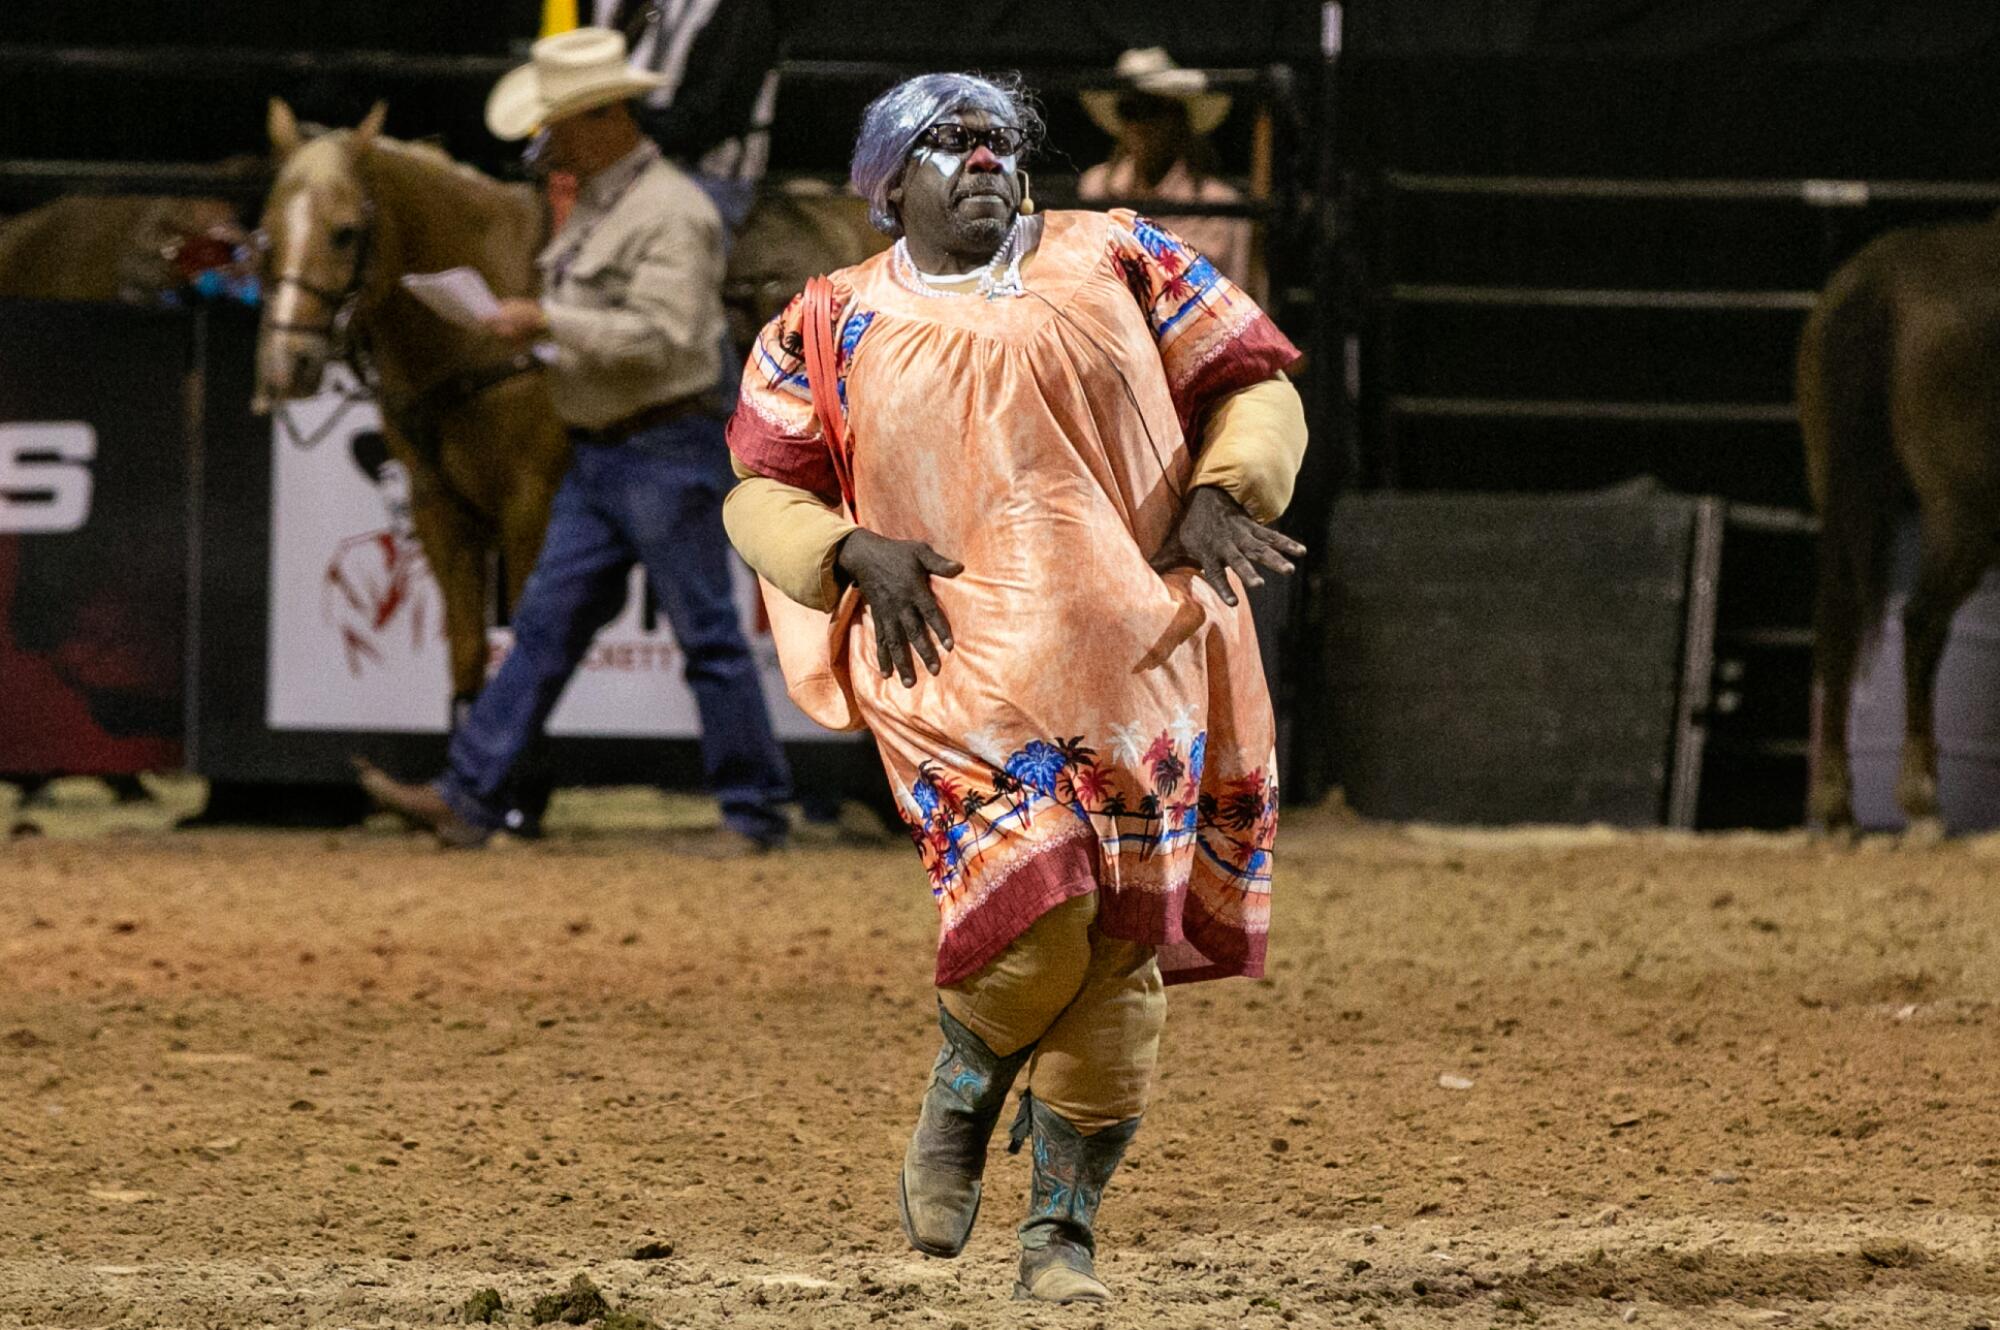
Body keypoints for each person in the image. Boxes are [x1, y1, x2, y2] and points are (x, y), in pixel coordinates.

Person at [723, 73, 1309, 1302]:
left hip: (1141, 659)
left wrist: (1225, 487)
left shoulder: (1122, 255)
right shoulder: (826, 321)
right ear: (890, 185)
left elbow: (1253, 384)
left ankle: (1062, 1233)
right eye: (947, 142)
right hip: (952, 663)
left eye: (997, 139)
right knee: (1036, 909)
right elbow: (759, 487)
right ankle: (966, 1081)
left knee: (1114, 951)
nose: (982, 155)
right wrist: (845, 551)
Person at [357, 27, 792, 856]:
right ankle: (471, 793)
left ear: (598, 118)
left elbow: (667, 336)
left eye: (555, 124)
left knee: (701, 635)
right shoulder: (615, 204)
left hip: (664, 442)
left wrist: (546, 320)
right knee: (549, 629)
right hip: (610, 450)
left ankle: (754, 810)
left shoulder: (672, 213)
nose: (545, 142)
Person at [1077, 47, 1260, 301]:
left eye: (1151, 109)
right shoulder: (1095, 189)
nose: (1140, 125)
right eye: (1129, 111)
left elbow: (1240, 303)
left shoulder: (1220, 206)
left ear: (1178, 120)